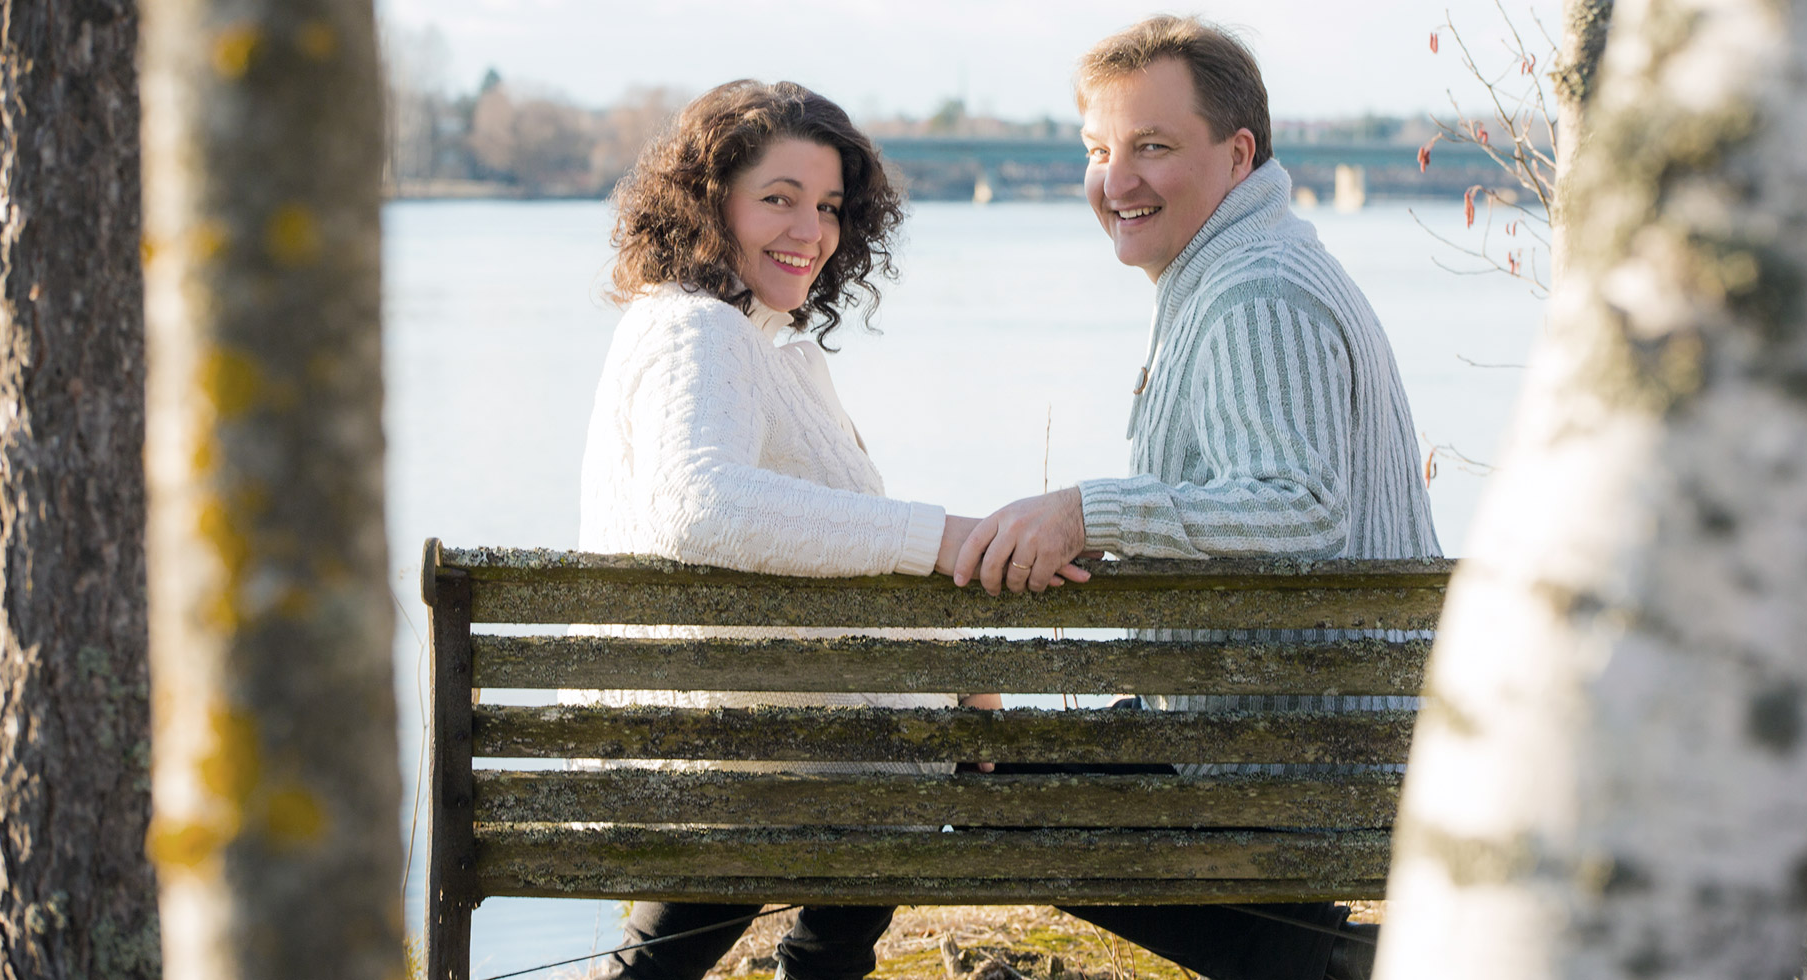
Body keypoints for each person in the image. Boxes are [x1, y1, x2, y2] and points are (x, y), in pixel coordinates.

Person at [950, 16, 1443, 980]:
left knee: (983, 788)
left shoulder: (1256, 294)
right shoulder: (1241, 266)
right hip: (1296, 733)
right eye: (1099, 150)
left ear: (1238, 154)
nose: (1116, 181)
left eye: (1152, 147)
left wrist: (1087, 514)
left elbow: (1301, 507)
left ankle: (1354, 966)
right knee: (1006, 772)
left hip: (1289, 761)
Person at [572, 79, 1051, 980]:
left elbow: (806, 557)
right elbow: (697, 505)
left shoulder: (726, 336)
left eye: (828, 206)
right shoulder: (701, 333)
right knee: (980, 772)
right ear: (710, 203)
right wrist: (943, 541)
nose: (811, 231)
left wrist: (958, 667)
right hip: (753, 757)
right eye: (779, 199)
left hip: (747, 741)